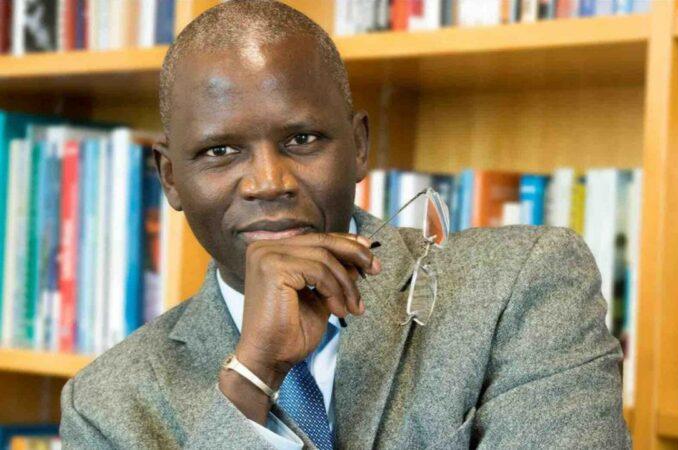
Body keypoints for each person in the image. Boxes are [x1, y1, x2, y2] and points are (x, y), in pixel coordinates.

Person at [60, 1, 631, 448]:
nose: (268, 182)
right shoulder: (107, 405)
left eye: (302, 139)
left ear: (358, 147)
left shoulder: (520, 286)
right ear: (170, 178)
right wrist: (252, 377)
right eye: (220, 151)